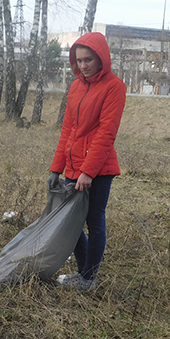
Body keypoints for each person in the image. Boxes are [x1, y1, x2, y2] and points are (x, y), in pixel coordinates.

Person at [48, 32, 126, 291]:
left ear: (101, 58)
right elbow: (68, 130)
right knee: (70, 223)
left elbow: (106, 133)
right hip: (73, 166)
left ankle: (88, 278)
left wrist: (88, 172)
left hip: (99, 169)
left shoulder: (114, 87)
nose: (83, 65)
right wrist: (56, 168)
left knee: (94, 221)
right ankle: (82, 272)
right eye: (79, 60)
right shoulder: (75, 86)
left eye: (88, 60)